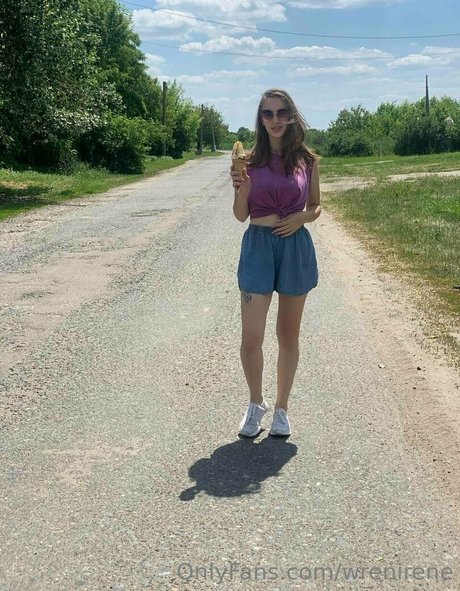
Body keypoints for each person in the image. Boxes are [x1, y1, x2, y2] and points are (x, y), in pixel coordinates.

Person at [230, 88, 321, 439]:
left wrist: (301, 218)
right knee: (251, 337)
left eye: (282, 112)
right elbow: (240, 215)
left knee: (288, 334)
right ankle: (256, 403)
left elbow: (316, 206)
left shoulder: (307, 160)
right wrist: (241, 189)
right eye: (268, 114)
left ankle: (282, 408)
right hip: (258, 246)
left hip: (294, 246)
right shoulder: (248, 161)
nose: (276, 120)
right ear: (260, 119)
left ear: (292, 115)